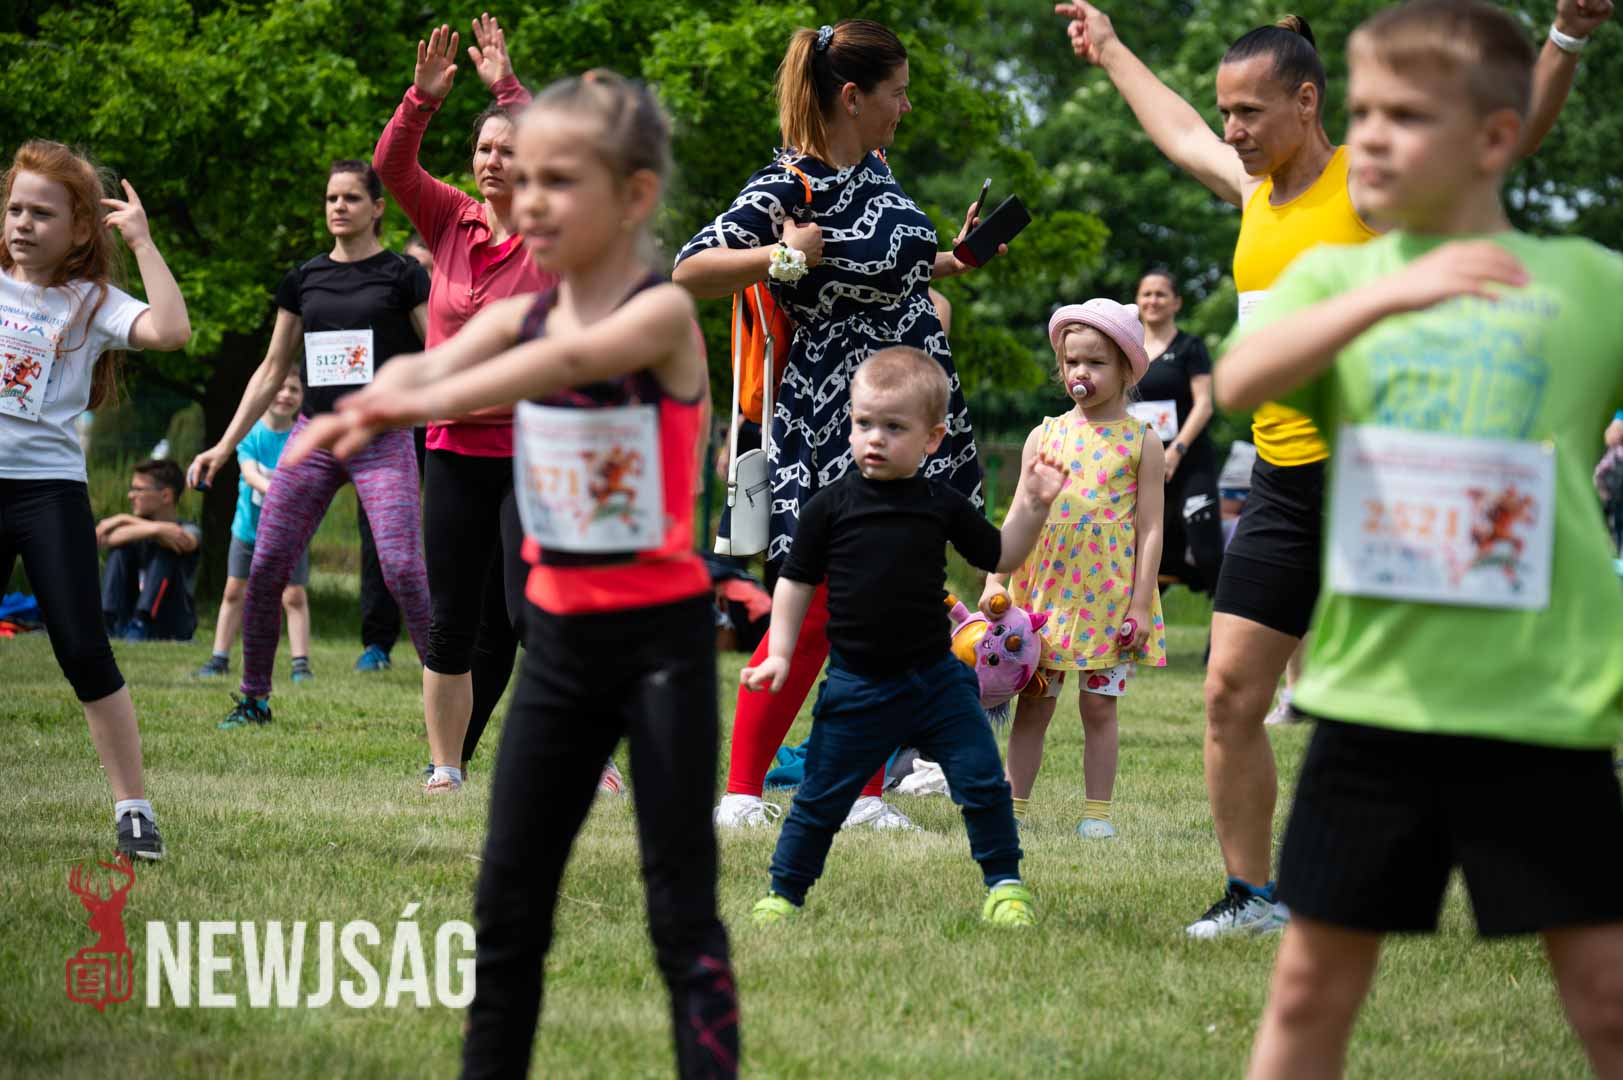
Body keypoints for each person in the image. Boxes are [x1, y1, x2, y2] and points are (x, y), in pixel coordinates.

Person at [1053, 0, 1611, 939]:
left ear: (1306, 103)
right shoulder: (1250, 192)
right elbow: (1176, 132)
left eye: (1249, 112)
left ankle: (1537, 878)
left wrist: (1564, 39)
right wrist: (1109, 50)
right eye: (1226, 112)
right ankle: (1252, 895)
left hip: (1387, 484)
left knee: (1450, 708)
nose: (1232, 129)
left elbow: (1507, 143)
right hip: (1283, 485)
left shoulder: (1367, 185)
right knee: (1228, 691)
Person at [288, 70, 739, 1080]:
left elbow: (556, 363)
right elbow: (439, 357)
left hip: (659, 652)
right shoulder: (518, 311)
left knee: (680, 911)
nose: (529, 200)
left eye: (558, 181)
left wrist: (405, 403)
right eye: (521, 179)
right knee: (507, 908)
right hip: (561, 655)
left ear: (634, 196)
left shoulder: (659, 315)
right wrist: (380, 392)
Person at [1214, 4, 1623, 1073]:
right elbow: (1241, 380)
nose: (1374, 138)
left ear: (1496, 136)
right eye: (1364, 115)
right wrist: (1392, 290)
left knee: (1606, 997)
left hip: (1541, 705)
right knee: (1306, 993)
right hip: (1372, 706)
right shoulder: (1338, 280)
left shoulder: (1587, 283)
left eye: (1408, 116)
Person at [674, 19, 1003, 831]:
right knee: (820, 605)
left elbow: (891, 267)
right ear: (852, 97)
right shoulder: (789, 184)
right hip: (837, 422)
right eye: (897, 93)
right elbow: (691, 268)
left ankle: (859, 794)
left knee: (883, 600)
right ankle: (743, 793)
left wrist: (956, 258)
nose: (906, 106)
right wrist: (784, 257)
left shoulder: (877, 170)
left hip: (909, 407)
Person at [742, 347, 1064, 927]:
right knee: (819, 800)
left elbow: (1001, 554)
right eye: (864, 423)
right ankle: (782, 894)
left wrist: (1034, 505)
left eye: (894, 427)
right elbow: (794, 582)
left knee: (982, 782)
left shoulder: (941, 504)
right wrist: (781, 653)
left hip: (937, 682)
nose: (875, 438)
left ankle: (1006, 887)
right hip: (856, 685)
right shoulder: (827, 507)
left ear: (932, 438)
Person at [374, 15, 560, 790]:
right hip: (453, 449)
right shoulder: (449, 217)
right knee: (452, 623)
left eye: (509, 150)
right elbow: (391, 166)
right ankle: (445, 768)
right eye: (484, 149)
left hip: (535, 451)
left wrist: (509, 91)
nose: (492, 161)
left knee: (528, 615)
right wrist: (421, 101)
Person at [187, 160, 432, 731]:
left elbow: (441, 352)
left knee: (402, 568)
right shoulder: (304, 279)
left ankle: (450, 687)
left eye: (351, 197)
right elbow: (272, 369)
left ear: (378, 208)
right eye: (330, 198)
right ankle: (254, 698)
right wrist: (224, 446)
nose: (338, 207)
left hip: (382, 440)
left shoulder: (403, 275)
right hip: (312, 439)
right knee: (267, 564)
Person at [0, 139, 191, 858]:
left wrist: (142, 241)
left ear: (81, 228)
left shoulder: (92, 302)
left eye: (42, 213)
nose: (23, 223)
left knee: (84, 649)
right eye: (15, 209)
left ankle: (134, 811)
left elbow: (172, 331)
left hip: (48, 495)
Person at [981, 300, 1167, 839]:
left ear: (1127, 369)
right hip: (1046, 596)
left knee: (1099, 710)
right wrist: (995, 579)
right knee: (1034, 705)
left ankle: (1097, 815)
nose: (1080, 372)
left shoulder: (1142, 441)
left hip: (1109, 599)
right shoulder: (1044, 436)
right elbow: (1017, 512)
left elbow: (1150, 529)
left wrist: (1140, 604)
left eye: (1096, 362)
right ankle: (1012, 808)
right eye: (1071, 362)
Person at [192, 372, 312, 681]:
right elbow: (250, 475)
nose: (285, 395)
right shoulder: (250, 434)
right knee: (234, 591)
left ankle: (301, 664)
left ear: (303, 396)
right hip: (248, 529)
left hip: (291, 532)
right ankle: (219, 658)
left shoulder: (304, 438)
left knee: (293, 595)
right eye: (279, 387)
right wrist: (281, 492)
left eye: (293, 389)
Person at [1132, 270, 1223, 595]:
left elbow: (1205, 405)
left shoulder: (1190, 347)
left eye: (1161, 294)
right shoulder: (1127, 351)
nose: (1153, 300)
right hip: (1141, 467)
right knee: (1147, 558)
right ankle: (1140, 623)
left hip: (1188, 463)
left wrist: (1175, 451)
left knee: (1206, 552)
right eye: (1146, 294)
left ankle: (1226, 623)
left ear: (1176, 302)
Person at [97, 458, 202, 642]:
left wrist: (125, 520)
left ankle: (141, 621)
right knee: (121, 548)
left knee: (167, 549)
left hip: (172, 624)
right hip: (127, 622)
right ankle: (107, 622)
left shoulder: (189, 529)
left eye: (139, 489)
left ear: (165, 496)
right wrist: (152, 527)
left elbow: (184, 541)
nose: (131, 495)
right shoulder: (132, 531)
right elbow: (101, 538)